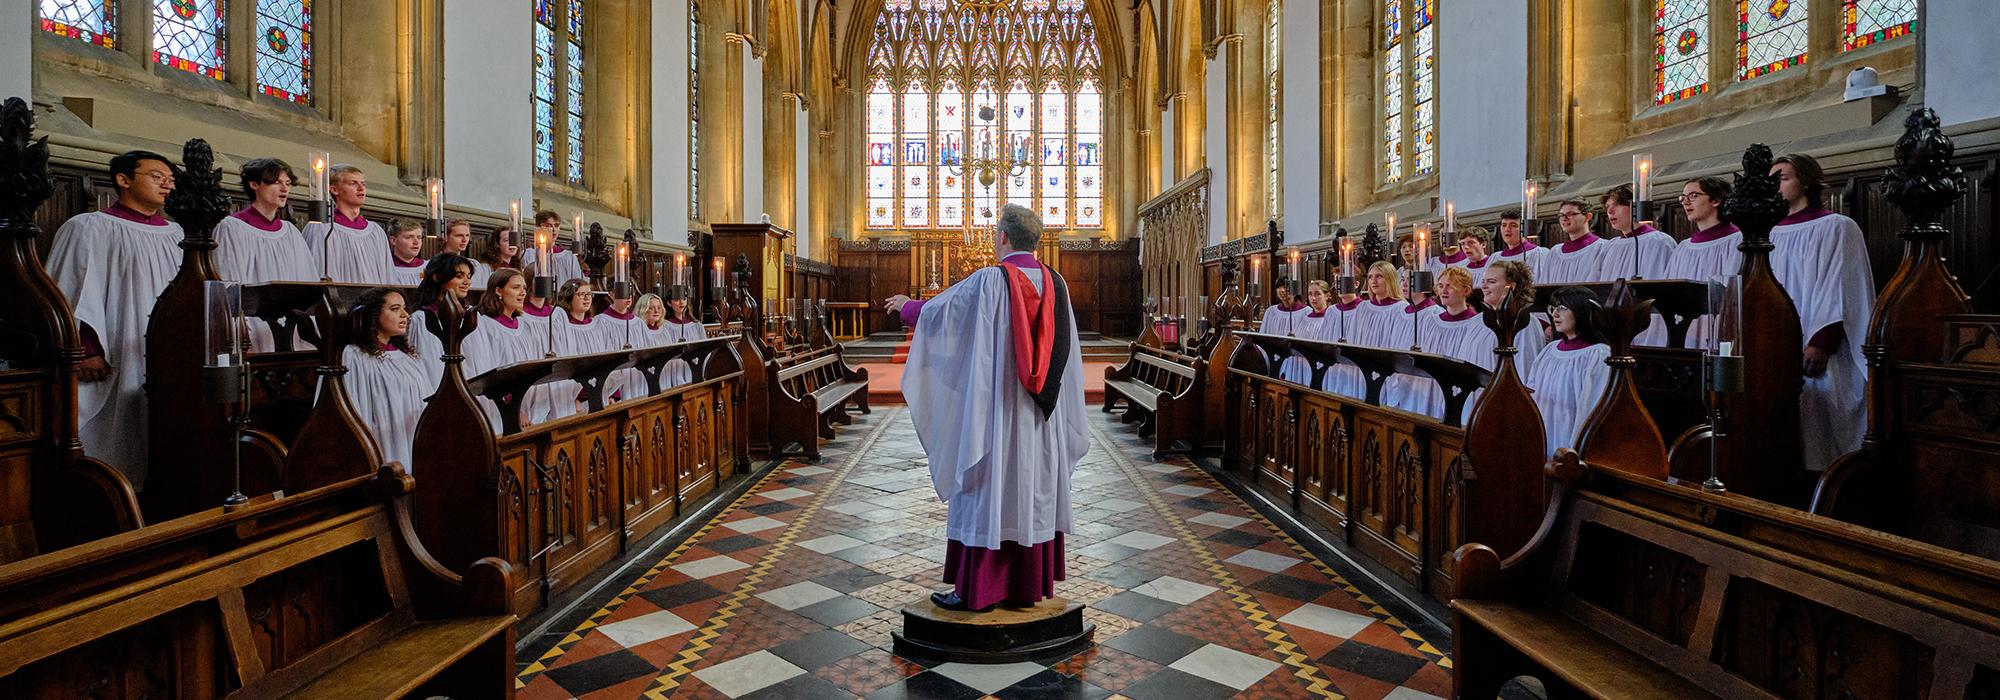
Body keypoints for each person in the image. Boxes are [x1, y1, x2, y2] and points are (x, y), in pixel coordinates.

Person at [883, 203, 1087, 613]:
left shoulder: (990, 282)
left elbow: (945, 317)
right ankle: (1026, 587)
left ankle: (978, 589)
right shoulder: (1058, 286)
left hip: (995, 417)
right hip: (1040, 420)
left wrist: (907, 306)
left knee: (988, 489)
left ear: (1004, 238)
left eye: (996, 233)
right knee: (1033, 493)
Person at [45, 150, 186, 486]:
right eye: (156, 176)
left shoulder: (178, 233)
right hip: (113, 349)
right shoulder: (89, 227)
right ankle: (111, 497)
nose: (167, 184)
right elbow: (71, 288)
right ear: (123, 180)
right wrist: (87, 347)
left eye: (170, 179)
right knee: (115, 433)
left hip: (165, 352)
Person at [1770, 153, 1874, 473]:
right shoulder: (1770, 233)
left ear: (1806, 181)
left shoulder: (1837, 226)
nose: (1776, 186)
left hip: (1821, 346)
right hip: (1779, 346)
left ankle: (1829, 488)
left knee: (1823, 428)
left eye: (1783, 178)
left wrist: (1821, 342)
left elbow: (1842, 284)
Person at [214, 157, 319, 352]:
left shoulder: (290, 232)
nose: (284, 189)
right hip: (251, 326)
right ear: (254, 184)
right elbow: (228, 282)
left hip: (291, 325)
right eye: (276, 182)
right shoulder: (233, 227)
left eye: (287, 183)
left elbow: (307, 284)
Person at [1637, 177, 1741, 348]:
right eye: (1682, 197)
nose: (1685, 202)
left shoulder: (1736, 241)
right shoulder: (1684, 247)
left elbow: (1730, 295)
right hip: (1684, 334)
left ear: (1716, 200)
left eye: (1693, 196)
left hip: (1718, 331)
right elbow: (1668, 293)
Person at [339, 288, 430, 473]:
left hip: (411, 438)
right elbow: (354, 407)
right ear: (374, 314)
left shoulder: (408, 356)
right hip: (382, 443)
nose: (405, 315)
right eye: (395, 309)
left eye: (405, 309)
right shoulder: (355, 355)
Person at [1525, 286, 1613, 458]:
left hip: (1571, 442)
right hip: (1542, 434)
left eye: (1563, 308)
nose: (1555, 314)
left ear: (1582, 311)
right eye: (1553, 308)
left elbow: (1592, 406)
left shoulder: (1599, 355)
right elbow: (1532, 391)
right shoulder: (1549, 350)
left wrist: (1575, 452)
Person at [464, 269, 551, 431]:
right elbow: (488, 372)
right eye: (516, 287)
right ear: (498, 290)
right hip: (502, 410)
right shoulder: (485, 326)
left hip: (532, 409)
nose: (522, 293)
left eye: (524, 288)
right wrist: (516, 409)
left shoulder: (525, 325)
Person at [302, 164, 394, 284]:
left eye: (363, 184)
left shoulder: (376, 232)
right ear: (334, 189)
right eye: (353, 183)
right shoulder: (322, 229)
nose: (361, 188)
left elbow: (388, 276)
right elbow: (315, 273)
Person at [406, 253, 477, 386]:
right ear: (438, 277)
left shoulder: (471, 315)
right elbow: (424, 366)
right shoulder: (421, 319)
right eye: (459, 276)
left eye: (468, 276)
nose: (467, 282)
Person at [547, 278, 605, 418]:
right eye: (581, 294)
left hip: (596, 392)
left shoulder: (597, 325)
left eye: (589, 294)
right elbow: (567, 365)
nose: (586, 298)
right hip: (569, 398)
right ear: (568, 297)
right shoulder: (561, 327)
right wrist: (577, 397)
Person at [1595, 184, 1677, 281]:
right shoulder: (1609, 247)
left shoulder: (1660, 242)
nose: (1610, 211)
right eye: (1607, 206)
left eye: (1617, 205)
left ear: (1635, 206)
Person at [1535, 199, 1609, 285]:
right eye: (1561, 215)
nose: (1564, 219)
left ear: (1588, 216)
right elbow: (1544, 284)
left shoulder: (1602, 247)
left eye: (1570, 214)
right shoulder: (1555, 252)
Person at [1278, 280, 1334, 386]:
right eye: (1310, 294)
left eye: (1317, 294)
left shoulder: (1331, 318)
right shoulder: (1305, 318)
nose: (1313, 298)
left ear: (1327, 296)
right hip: (1300, 366)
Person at [659, 289, 708, 388]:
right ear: (669, 303)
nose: (681, 302)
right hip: (674, 371)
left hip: (694, 369)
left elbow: (704, 351)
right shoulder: (665, 326)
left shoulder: (697, 326)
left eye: (684, 298)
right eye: (676, 299)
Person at [521, 210, 585, 284]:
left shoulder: (569, 256)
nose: (553, 229)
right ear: (538, 228)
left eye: (556, 225)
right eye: (548, 226)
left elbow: (577, 282)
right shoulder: (528, 255)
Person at [439, 219, 492, 287]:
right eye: (459, 235)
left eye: (467, 235)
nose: (464, 240)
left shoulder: (475, 265)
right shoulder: (437, 264)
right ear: (446, 237)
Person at [387, 219, 427, 286]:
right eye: (409, 237)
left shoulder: (427, 267)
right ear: (393, 240)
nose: (416, 242)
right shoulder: (385, 268)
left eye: (419, 237)